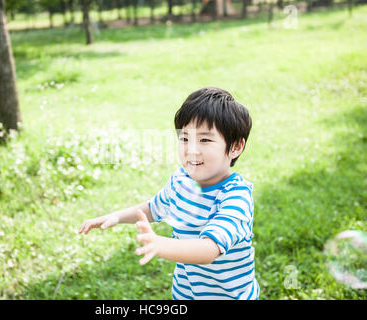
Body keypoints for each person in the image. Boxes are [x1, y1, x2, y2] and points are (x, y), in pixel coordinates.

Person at [78, 87, 259, 300]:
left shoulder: (236, 196)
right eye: (184, 139)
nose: (191, 149)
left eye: (205, 140)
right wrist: (116, 217)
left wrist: (160, 244)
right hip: (185, 294)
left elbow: (209, 250)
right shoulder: (181, 180)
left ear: (236, 146)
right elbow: (153, 209)